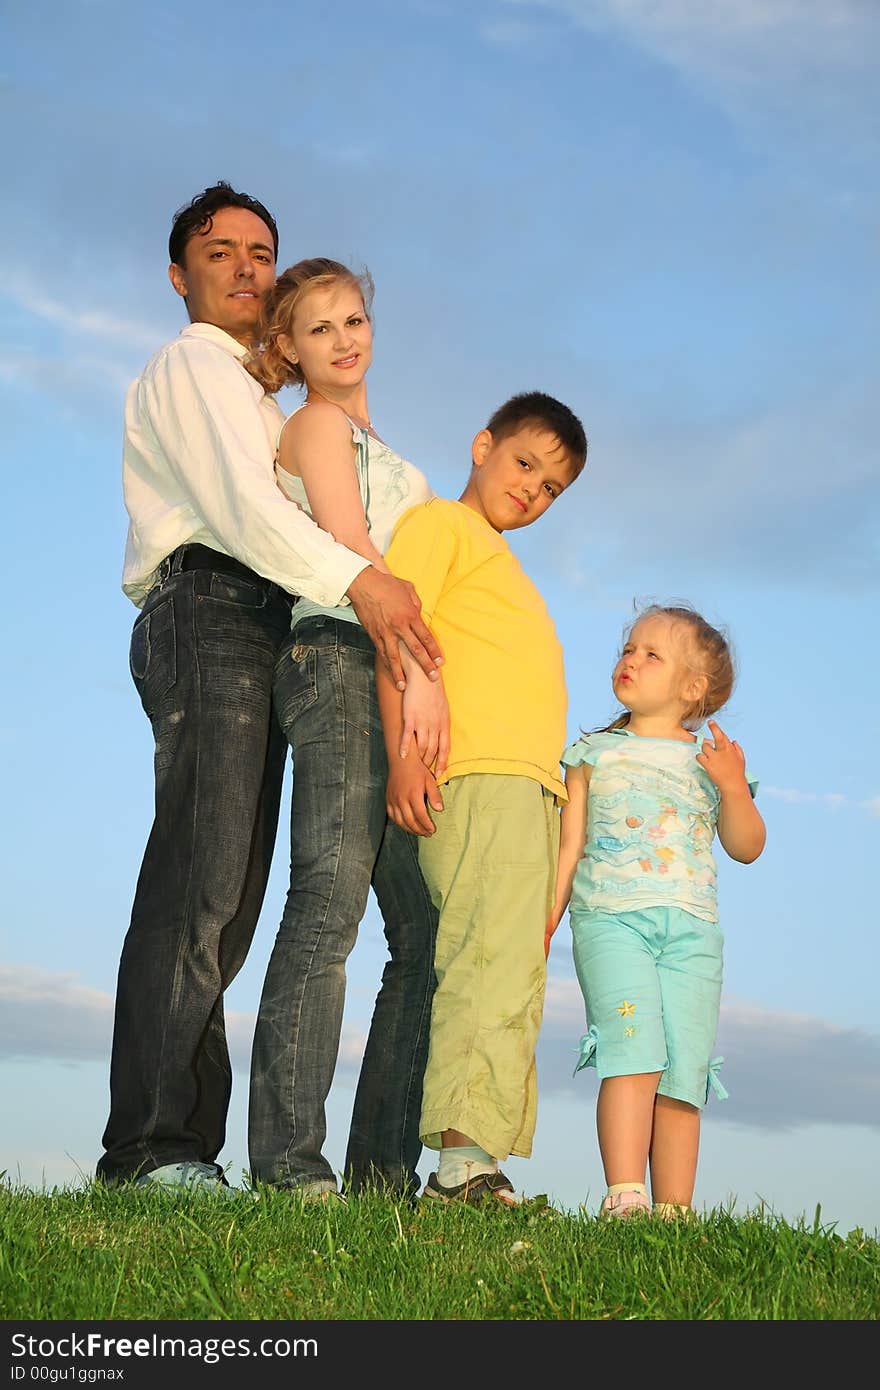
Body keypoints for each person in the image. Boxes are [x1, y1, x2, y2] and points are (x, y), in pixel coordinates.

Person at [97, 183, 442, 1195]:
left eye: (261, 252)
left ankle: (183, 1151)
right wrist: (361, 580)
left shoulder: (270, 400)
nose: (244, 266)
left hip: (262, 617)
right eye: (220, 253)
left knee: (232, 896)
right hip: (208, 603)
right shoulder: (192, 365)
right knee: (199, 883)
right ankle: (149, 1150)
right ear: (179, 277)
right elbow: (244, 511)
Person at [243, 258, 445, 1201]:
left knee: (424, 932)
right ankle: (290, 1164)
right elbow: (351, 547)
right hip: (339, 655)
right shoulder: (318, 423)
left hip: (399, 675)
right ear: (287, 347)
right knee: (328, 908)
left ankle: (380, 1172)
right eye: (319, 328)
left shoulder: (382, 439)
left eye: (355, 318)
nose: (344, 338)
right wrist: (414, 679)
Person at [378, 391, 588, 1206]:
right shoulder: (440, 526)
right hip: (480, 777)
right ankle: (461, 1170)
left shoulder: (504, 563)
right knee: (485, 964)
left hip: (526, 790)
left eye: (551, 489)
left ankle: (477, 1157)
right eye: (525, 464)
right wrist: (404, 756)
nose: (532, 490)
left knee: (511, 974)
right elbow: (396, 634)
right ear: (482, 445)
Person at [547, 602, 766, 1219]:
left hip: (692, 933)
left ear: (692, 688)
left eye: (651, 654)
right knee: (631, 1046)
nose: (630, 661)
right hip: (611, 923)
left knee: (685, 1071)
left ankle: (674, 1214)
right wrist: (547, 920)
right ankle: (625, 1197)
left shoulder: (710, 762)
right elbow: (569, 848)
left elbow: (748, 847)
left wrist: (730, 784)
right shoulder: (592, 752)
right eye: (628, 649)